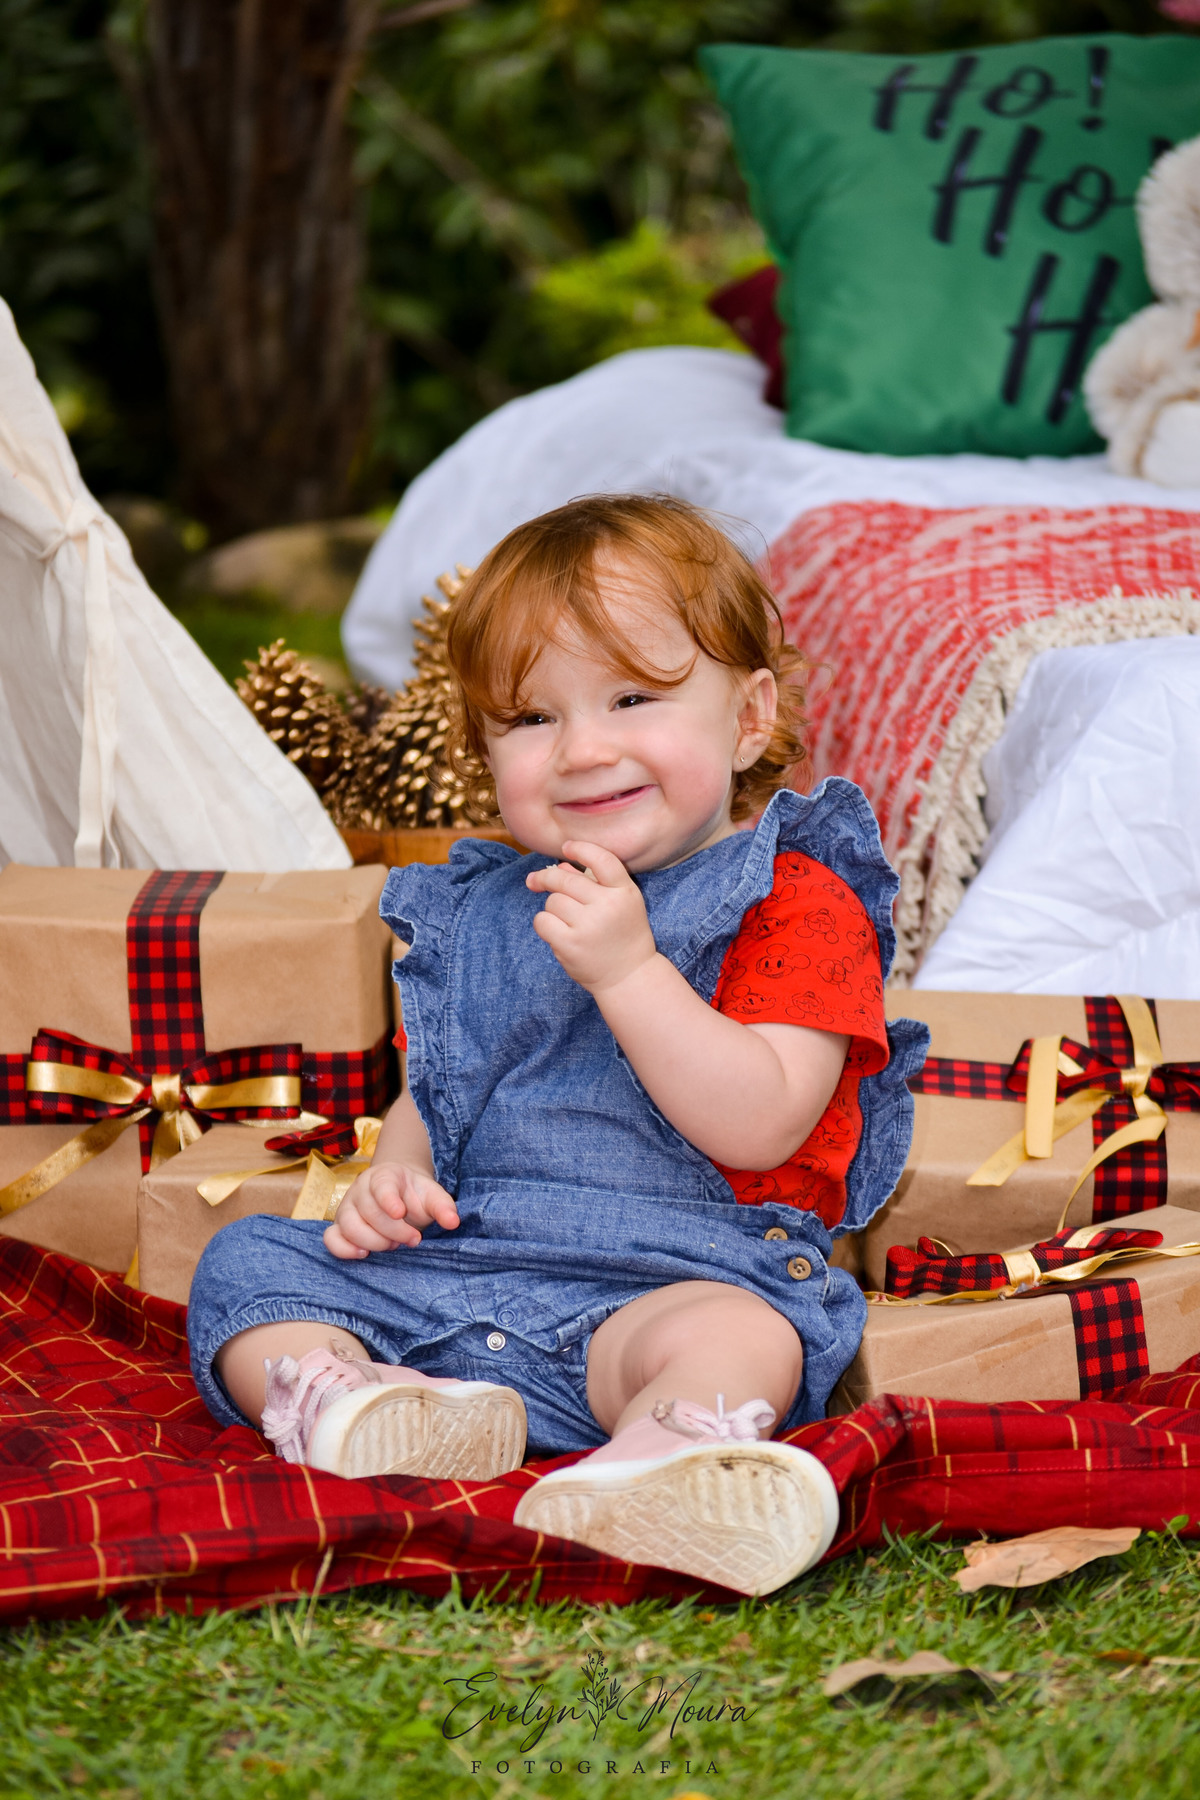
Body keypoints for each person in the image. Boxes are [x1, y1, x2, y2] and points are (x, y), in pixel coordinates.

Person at [187, 494, 926, 1596]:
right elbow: (442, 1086)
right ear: (485, 749)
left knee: (748, 1332)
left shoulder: (794, 897)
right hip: (466, 1273)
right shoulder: (490, 904)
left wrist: (632, 974)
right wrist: (397, 1177)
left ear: (749, 716)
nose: (583, 750)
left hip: (674, 1280)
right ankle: (358, 1403)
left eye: (634, 697)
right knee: (247, 1266)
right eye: (531, 719)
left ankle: (669, 1449)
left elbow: (765, 1112)